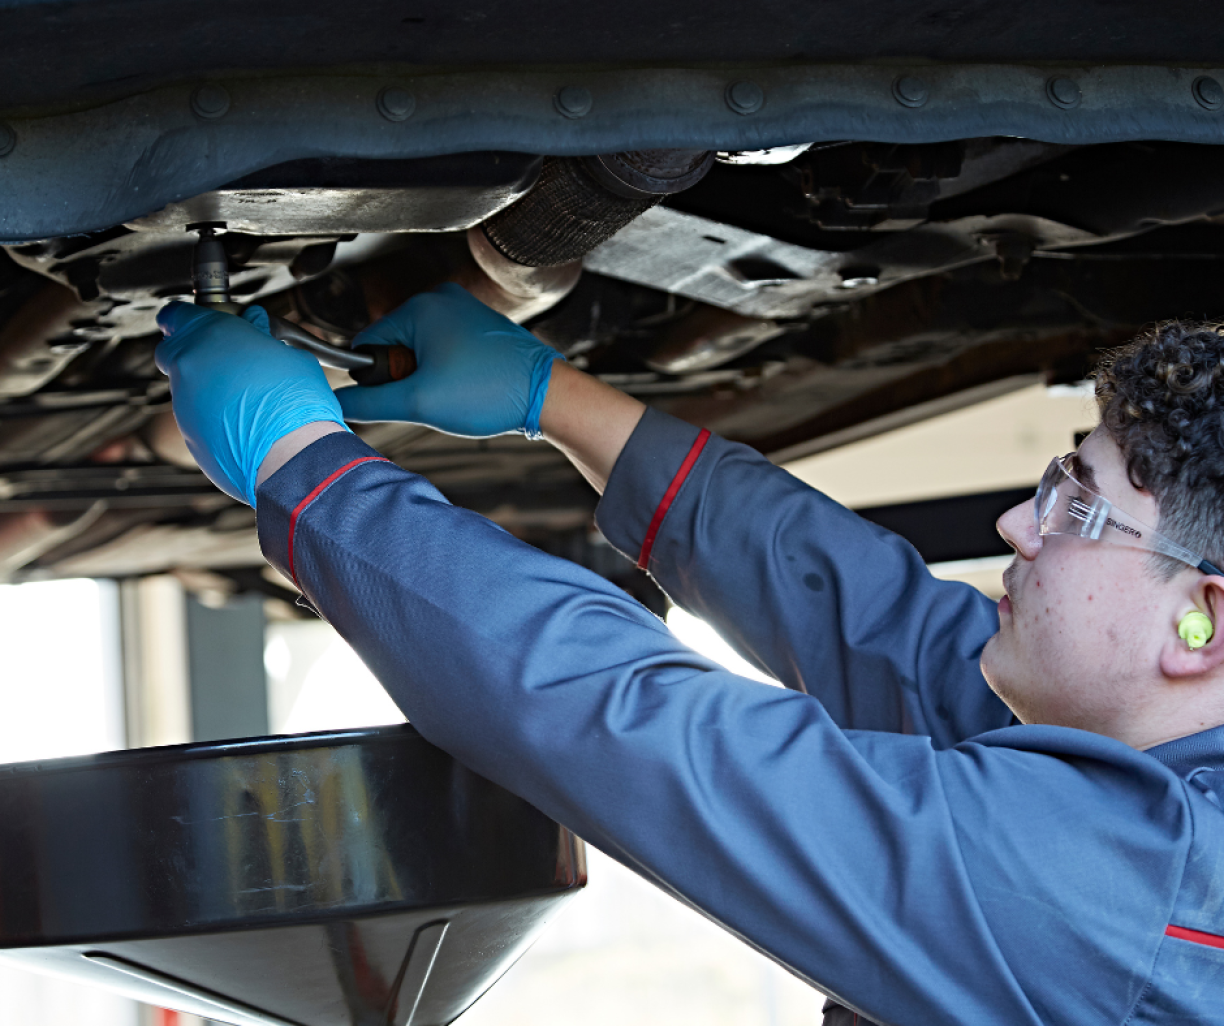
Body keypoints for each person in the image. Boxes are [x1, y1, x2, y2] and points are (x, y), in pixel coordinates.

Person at [156, 285, 1224, 1025]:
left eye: (1075, 507)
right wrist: (551, 399)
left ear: (1203, 621)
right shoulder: (1165, 793)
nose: (1016, 527)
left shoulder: (1140, 905)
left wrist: (308, 474)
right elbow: (878, 624)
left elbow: (650, 738)